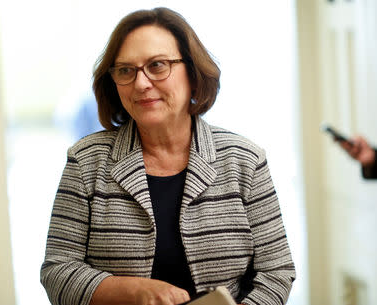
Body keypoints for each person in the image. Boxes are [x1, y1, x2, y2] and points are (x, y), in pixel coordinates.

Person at [40, 7, 295, 305]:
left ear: (193, 71)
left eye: (157, 65)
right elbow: (57, 271)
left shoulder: (245, 160)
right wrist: (132, 291)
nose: (141, 83)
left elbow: (276, 272)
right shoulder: (86, 161)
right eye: (125, 70)